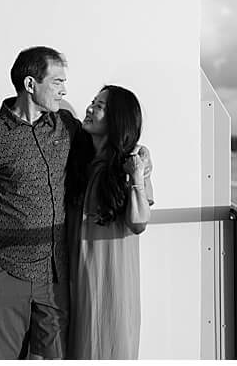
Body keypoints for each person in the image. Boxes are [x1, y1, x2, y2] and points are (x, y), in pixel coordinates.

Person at [0, 47, 78, 359]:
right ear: (30, 84)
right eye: (57, 82)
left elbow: (107, 141)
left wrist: (140, 161)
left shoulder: (65, 126)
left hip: (54, 275)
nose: (64, 89)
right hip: (3, 271)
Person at [66, 86, 153, 359]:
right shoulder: (79, 160)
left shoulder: (131, 164)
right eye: (93, 102)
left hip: (113, 285)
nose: (90, 108)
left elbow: (139, 223)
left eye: (100, 105)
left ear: (117, 119)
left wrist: (136, 178)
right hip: (75, 284)